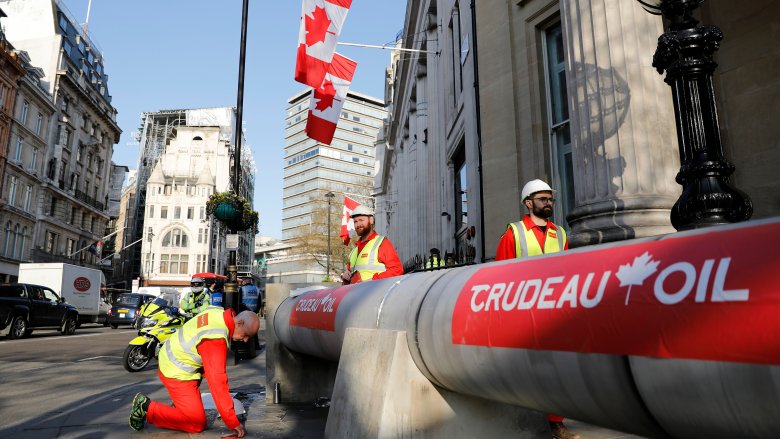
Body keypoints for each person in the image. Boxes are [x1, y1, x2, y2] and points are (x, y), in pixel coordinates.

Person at [495, 179, 577, 439]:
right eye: (543, 199)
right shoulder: (514, 233)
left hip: (552, 311)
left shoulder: (560, 233)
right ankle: (521, 420)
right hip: (522, 310)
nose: (548, 203)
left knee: (555, 369)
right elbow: (500, 274)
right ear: (528, 203)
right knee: (524, 370)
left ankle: (556, 424)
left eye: (550, 199)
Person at [129, 308, 260, 437]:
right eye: (247, 334)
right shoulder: (215, 340)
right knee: (196, 423)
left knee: (193, 411)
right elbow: (217, 384)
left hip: (176, 360)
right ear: (240, 323)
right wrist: (232, 421)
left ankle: (178, 409)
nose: (246, 340)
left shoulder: (218, 313)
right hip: (176, 370)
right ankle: (145, 407)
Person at [340, 205, 403, 284]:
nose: (358, 224)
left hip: (375, 294)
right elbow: (349, 280)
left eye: (361, 220)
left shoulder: (382, 243)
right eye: (355, 221)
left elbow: (397, 270)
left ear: (371, 220)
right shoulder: (354, 251)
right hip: (358, 295)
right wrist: (346, 277)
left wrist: (372, 281)